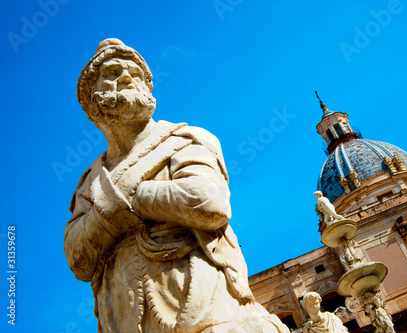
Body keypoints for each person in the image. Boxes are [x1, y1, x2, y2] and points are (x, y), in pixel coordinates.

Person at [64, 38, 289, 333]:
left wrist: (126, 200)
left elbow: (208, 203)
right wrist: (126, 211)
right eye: (113, 71)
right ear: (93, 102)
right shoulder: (90, 182)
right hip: (122, 319)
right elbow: (77, 257)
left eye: (137, 73)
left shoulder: (186, 140)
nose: (127, 76)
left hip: (204, 312)